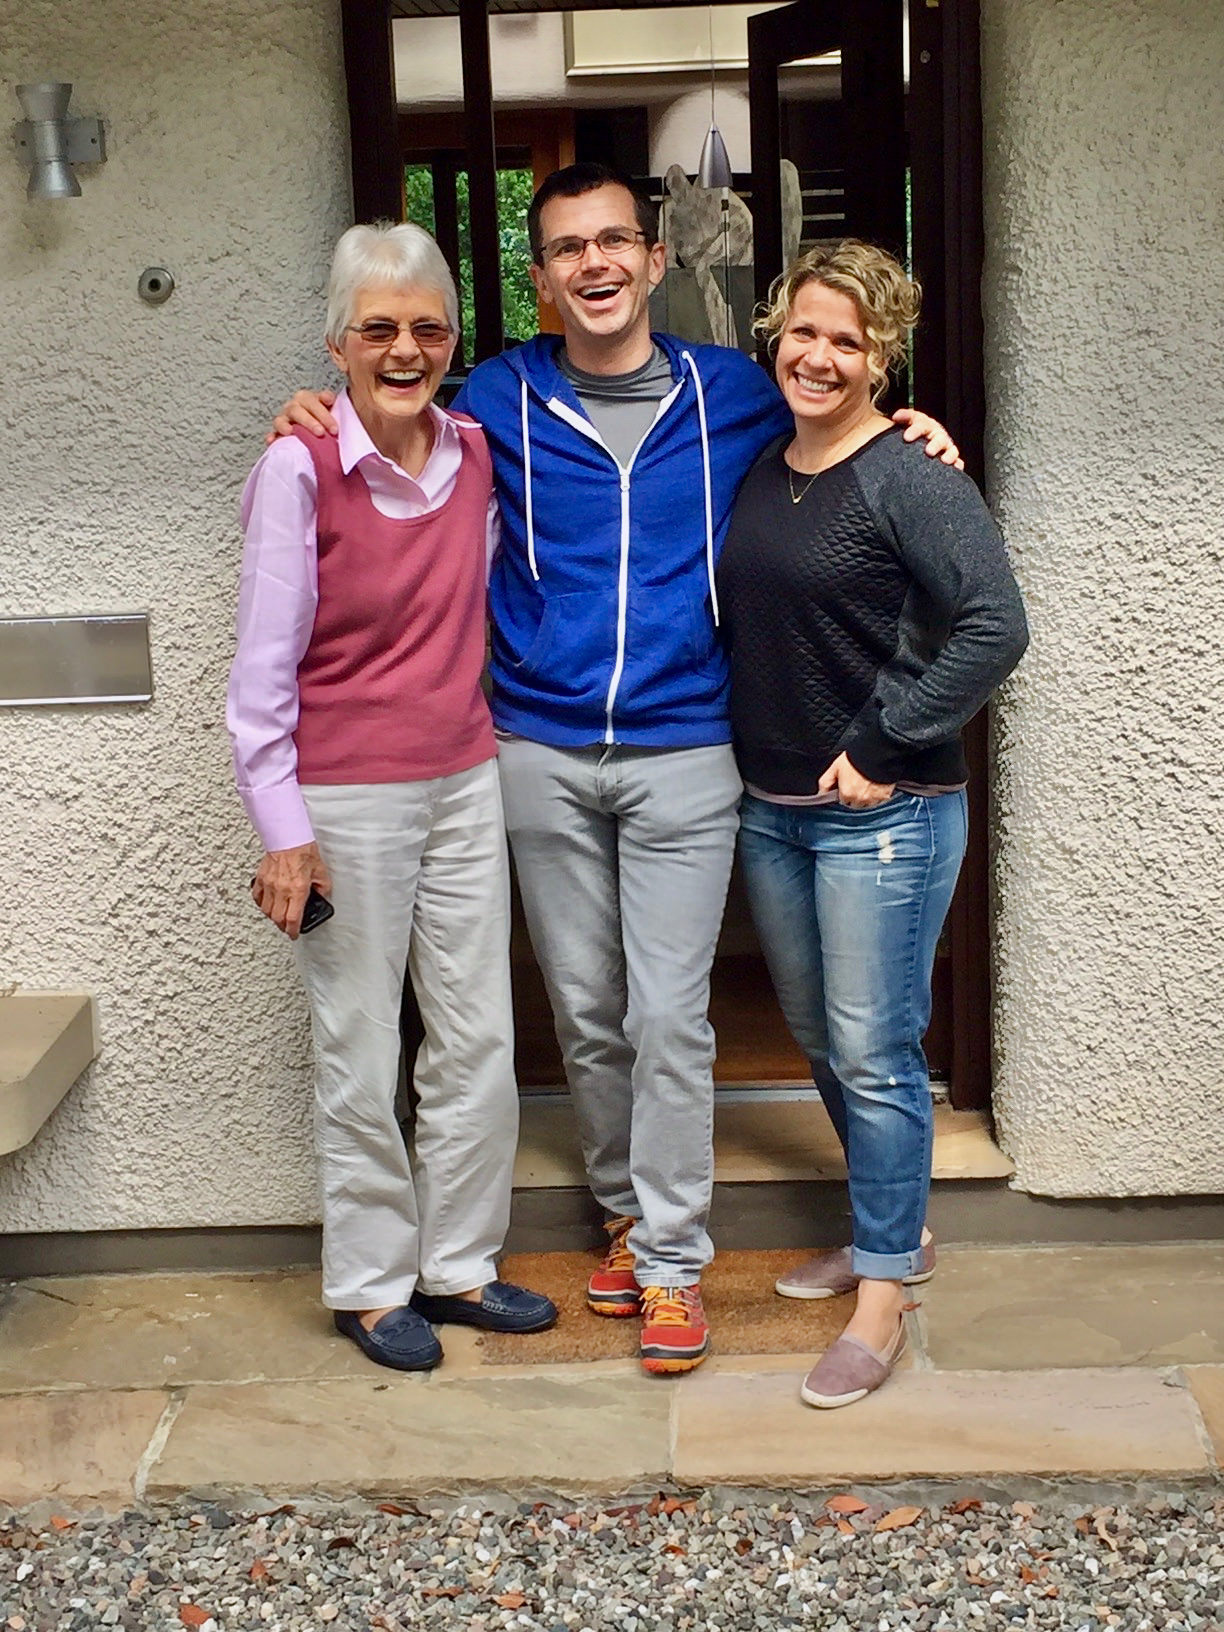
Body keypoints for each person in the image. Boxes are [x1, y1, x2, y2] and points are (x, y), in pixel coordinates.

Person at [273, 164, 959, 1376]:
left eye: (614, 241)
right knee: (586, 1011)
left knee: (668, 1013)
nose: (593, 262)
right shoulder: (496, 397)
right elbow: (389, 406)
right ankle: (625, 1215)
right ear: (539, 279)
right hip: (537, 748)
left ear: (653, 260)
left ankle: (676, 1262)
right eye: (566, 248)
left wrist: (914, 426)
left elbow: (839, 419)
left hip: (688, 745)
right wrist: (313, 410)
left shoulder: (735, 390)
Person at [228, 222, 555, 1374]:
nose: (405, 349)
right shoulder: (299, 468)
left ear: (455, 340)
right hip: (345, 798)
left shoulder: (476, 453)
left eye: (427, 328)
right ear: (338, 345)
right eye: (378, 329)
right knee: (361, 1046)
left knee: (478, 1036)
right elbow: (260, 677)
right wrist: (285, 833)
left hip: (464, 779)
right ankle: (370, 1285)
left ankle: (459, 1263)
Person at [716, 240, 1028, 1408]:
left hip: (886, 817)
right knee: (820, 1033)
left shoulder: (911, 476)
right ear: (775, 332)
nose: (820, 356)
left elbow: (996, 625)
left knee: (876, 1049)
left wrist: (886, 740)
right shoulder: (765, 466)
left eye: (847, 341)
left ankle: (884, 1296)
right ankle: (891, 1231)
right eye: (804, 330)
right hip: (774, 813)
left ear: (882, 355)